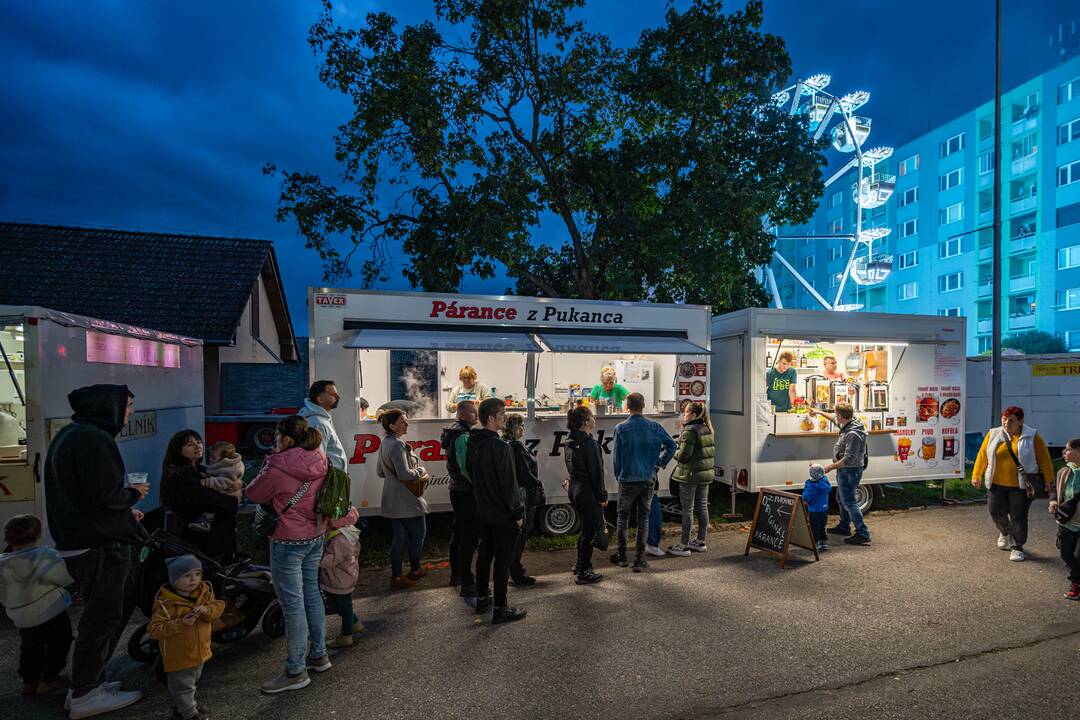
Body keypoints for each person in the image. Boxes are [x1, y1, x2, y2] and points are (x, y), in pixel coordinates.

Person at [44, 384, 146, 717]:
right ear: (109, 407)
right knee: (102, 618)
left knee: (99, 616)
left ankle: (88, 684)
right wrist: (132, 496)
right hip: (99, 544)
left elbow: (86, 496)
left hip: (78, 540)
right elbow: (106, 496)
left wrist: (123, 511)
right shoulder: (96, 440)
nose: (130, 413)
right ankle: (85, 692)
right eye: (128, 406)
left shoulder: (71, 435)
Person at [245, 416, 342, 694]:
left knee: (293, 603)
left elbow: (254, 494)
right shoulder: (319, 457)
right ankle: (319, 655)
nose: (275, 441)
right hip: (315, 534)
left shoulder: (277, 467)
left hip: (288, 541)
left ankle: (295, 670)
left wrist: (267, 462)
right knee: (311, 593)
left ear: (286, 439)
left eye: (277, 436)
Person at [467, 398, 527, 623]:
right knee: (502, 561)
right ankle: (501, 607)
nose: (505, 417)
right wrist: (518, 513)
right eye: (502, 414)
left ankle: (483, 596)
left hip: (483, 511)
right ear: (491, 418)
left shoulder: (473, 442)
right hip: (502, 513)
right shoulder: (500, 446)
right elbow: (508, 485)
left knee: (485, 555)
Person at [0, 514, 74, 697]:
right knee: (59, 643)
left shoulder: (2, 562)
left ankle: (29, 681)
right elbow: (64, 578)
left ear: (7, 538)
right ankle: (49, 679)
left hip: (21, 616)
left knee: (30, 647)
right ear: (38, 535)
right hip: (50, 610)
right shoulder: (45, 556)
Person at [971, 406, 1054, 562]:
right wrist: (977, 475)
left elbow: (1044, 459)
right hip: (995, 483)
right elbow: (982, 455)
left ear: (1021, 421)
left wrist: (1049, 480)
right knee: (995, 512)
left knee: (1018, 517)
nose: (1006, 423)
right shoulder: (993, 433)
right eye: (1004, 419)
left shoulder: (1032, 436)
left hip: (1020, 486)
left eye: (1011, 420)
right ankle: (1005, 532)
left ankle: (1017, 546)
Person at [147, 555, 224, 720]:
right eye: (187, 576)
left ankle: (181, 708)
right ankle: (190, 714)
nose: (194, 579)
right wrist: (181, 623)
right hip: (179, 655)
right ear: (174, 579)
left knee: (191, 682)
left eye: (197, 574)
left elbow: (218, 606)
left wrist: (207, 611)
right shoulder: (166, 603)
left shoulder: (204, 591)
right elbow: (154, 630)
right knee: (183, 687)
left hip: (201, 650)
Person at [611, 392, 676, 571]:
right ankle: (639, 560)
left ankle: (623, 556)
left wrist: (619, 475)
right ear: (643, 405)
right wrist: (659, 464)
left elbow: (616, 457)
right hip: (648, 478)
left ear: (627, 406)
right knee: (643, 519)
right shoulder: (654, 426)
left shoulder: (621, 428)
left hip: (627, 478)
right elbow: (672, 445)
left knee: (622, 519)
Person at [160, 431, 240, 561]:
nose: (198, 447)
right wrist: (234, 500)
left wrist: (238, 485)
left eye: (199, 442)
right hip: (198, 538)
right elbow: (212, 500)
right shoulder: (182, 475)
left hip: (212, 536)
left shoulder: (200, 469)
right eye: (190, 444)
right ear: (179, 451)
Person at [376, 409, 430, 590]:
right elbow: (405, 474)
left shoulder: (385, 443)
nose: (407, 425)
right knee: (418, 535)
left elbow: (380, 472)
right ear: (392, 426)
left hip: (392, 498)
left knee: (399, 538)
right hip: (407, 500)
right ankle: (414, 570)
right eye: (403, 422)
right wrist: (421, 470)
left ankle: (397, 576)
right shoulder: (398, 445)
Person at [809, 403, 871, 545]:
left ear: (842, 416)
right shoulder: (848, 423)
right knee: (841, 498)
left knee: (849, 501)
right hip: (845, 470)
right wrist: (818, 412)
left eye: (837, 414)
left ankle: (863, 532)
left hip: (850, 470)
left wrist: (830, 467)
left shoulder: (853, 433)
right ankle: (844, 526)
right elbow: (832, 419)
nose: (835, 416)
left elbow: (849, 459)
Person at [440, 401, 479, 599]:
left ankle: (456, 574)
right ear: (463, 415)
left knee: (459, 534)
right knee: (468, 537)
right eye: (473, 412)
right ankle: (466, 580)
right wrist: (478, 486)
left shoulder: (453, 433)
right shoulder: (462, 436)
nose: (476, 415)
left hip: (456, 489)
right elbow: (466, 467)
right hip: (465, 491)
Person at [564, 406, 605, 585]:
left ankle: (580, 564)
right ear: (585, 422)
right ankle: (583, 572)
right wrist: (602, 495)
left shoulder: (569, 440)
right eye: (591, 416)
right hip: (587, 491)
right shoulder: (589, 443)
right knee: (588, 532)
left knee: (584, 529)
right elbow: (597, 472)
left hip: (574, 488)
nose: (594, 418)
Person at [667, 401, 715, 557]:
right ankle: (700, 541)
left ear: (694, 415)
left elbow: (683, 456)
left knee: (687, 509)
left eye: (686, 412)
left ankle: (684, 545)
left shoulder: (689, 431)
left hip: (690, 475)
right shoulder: (707, 428)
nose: (684, 414)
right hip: (704, 474)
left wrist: (674, 451)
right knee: (702, 506)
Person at [504, 413, 544, 587]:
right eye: (521, 426)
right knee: (519, 537)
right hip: (522, 497)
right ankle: (516, 572)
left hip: (515, 496)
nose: (523, 429)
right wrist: (538, 483)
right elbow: (524, 473)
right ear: (514, 427)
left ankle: (513, 570)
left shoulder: (505, 444)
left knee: (515, 538)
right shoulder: (514, 446)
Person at [319, 504, 363, 647]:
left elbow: (329, 561)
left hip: (339, 580)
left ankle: (346, 636)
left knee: (340, 606)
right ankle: (354, 623)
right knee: (342, 606)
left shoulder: (339, 540)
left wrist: (316, 559)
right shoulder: (350, 533)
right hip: (346, 576)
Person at [186, 441, 245, 534]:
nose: (211, 459)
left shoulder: (231, 468)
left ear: (224, 459)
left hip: (229, 493)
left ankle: (207, 523)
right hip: (226, 493)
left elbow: (223, 482)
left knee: (215, 507)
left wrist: (207, 481)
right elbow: (214, 473)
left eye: (213, 458)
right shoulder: (223, 464)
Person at [1051, 439, 1080, 600]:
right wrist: (1053, 501)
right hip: (1066, 522)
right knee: (1066, 553)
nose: (1064, 452)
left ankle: (1076, 584)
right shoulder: (1064, 471)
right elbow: (1056, 490)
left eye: (1068, 449)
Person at [299, 380, 347, 471]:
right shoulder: (317, 423)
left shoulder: (321, 418)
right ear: (320, 399)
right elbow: (316, 459)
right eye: (333, 395)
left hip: (332, 476)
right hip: (328, 480)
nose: (338, 397)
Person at [803, 464, 832, 552]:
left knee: (814, 527)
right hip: (824, 509)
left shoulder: (810, 485)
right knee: (822, 525)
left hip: (813, 510)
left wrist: (804, 501)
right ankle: (823, 543)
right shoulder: (825, 480)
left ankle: (815, 543)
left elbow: (806, 497)